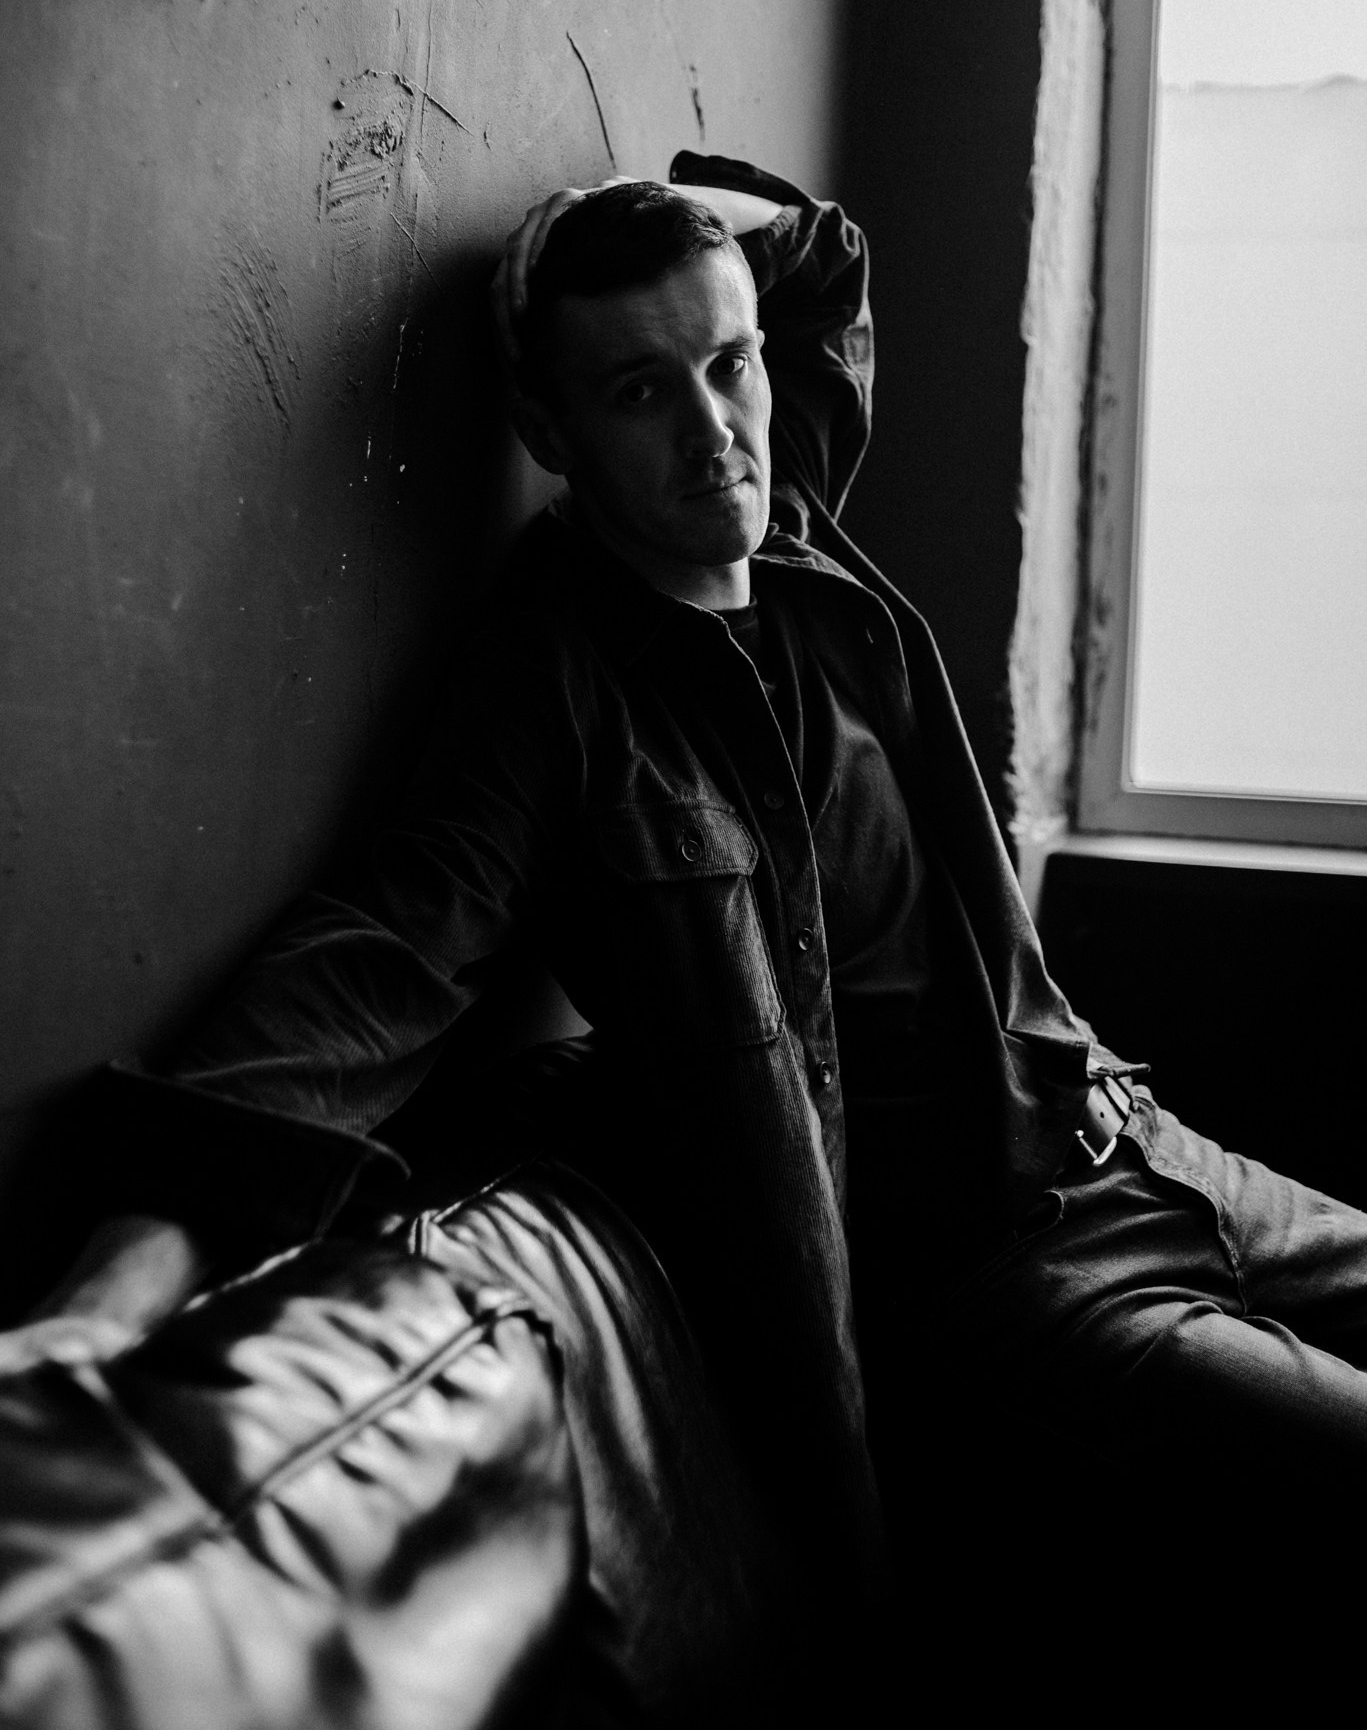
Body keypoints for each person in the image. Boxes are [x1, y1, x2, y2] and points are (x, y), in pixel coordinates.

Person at [16, 156, 1367, 1665]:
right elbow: (367, 967)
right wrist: (109, 1290)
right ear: (551, 434)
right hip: (1012, 1285)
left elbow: (824, 260)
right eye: (639, 393)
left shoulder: (791, 519)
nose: (714, 430)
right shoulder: (554, 689)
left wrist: (626, 212)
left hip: (1141, 1142)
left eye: (730, 366)